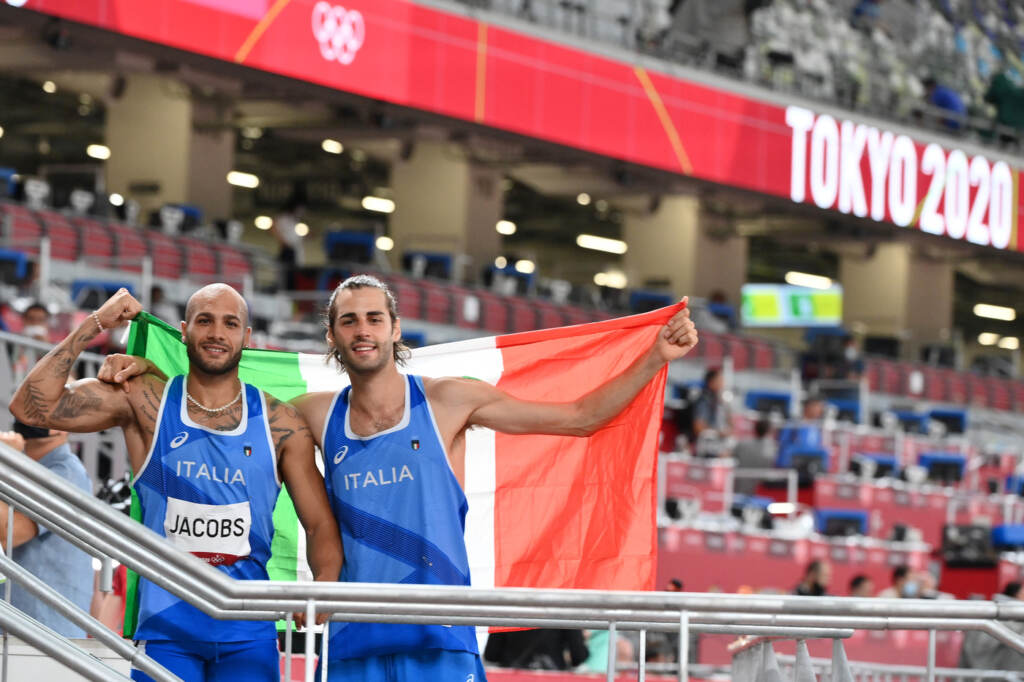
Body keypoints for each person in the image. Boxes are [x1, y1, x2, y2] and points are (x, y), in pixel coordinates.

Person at [99, 273, 699, 681]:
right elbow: (220, 396)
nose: (362, 330)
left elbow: (581, 418)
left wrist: (653, 358)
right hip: (354, 642)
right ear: (332, 338)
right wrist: (153, 366)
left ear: (394, 328)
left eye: (373, 318)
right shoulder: (312, 414)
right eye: (348, 321)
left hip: (439, 638)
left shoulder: (449, 403)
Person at [9, 286, 343, 682]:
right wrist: (94, 324)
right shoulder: (143, 401)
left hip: (247, 630)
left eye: (229, 323)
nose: (217, 332)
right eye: (205, 321)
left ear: (246, 338)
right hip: (168, 631)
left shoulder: (280, 424)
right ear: (184, 331)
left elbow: (320, 524)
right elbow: (32, 407)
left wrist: (322, 590)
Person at [0, 424, 93, 637]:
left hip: (45, 631)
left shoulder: (66, 473)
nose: (28, 418)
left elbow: (7, 534)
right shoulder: (23, 469)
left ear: (63, 425)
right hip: (18, 625)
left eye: (38, 413)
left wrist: (4, 463)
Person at [483, 628, 588, 670]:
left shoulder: (508, 604)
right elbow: (578, 656)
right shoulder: (565, 606)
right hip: (552, 674)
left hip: (511, 675)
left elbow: (491, 655)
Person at [731, 418, 777, 494]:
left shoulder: (742, 443)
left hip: (741, 489)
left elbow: (730, 455)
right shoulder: (772, 447)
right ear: (769, 430)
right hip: (759, 492)